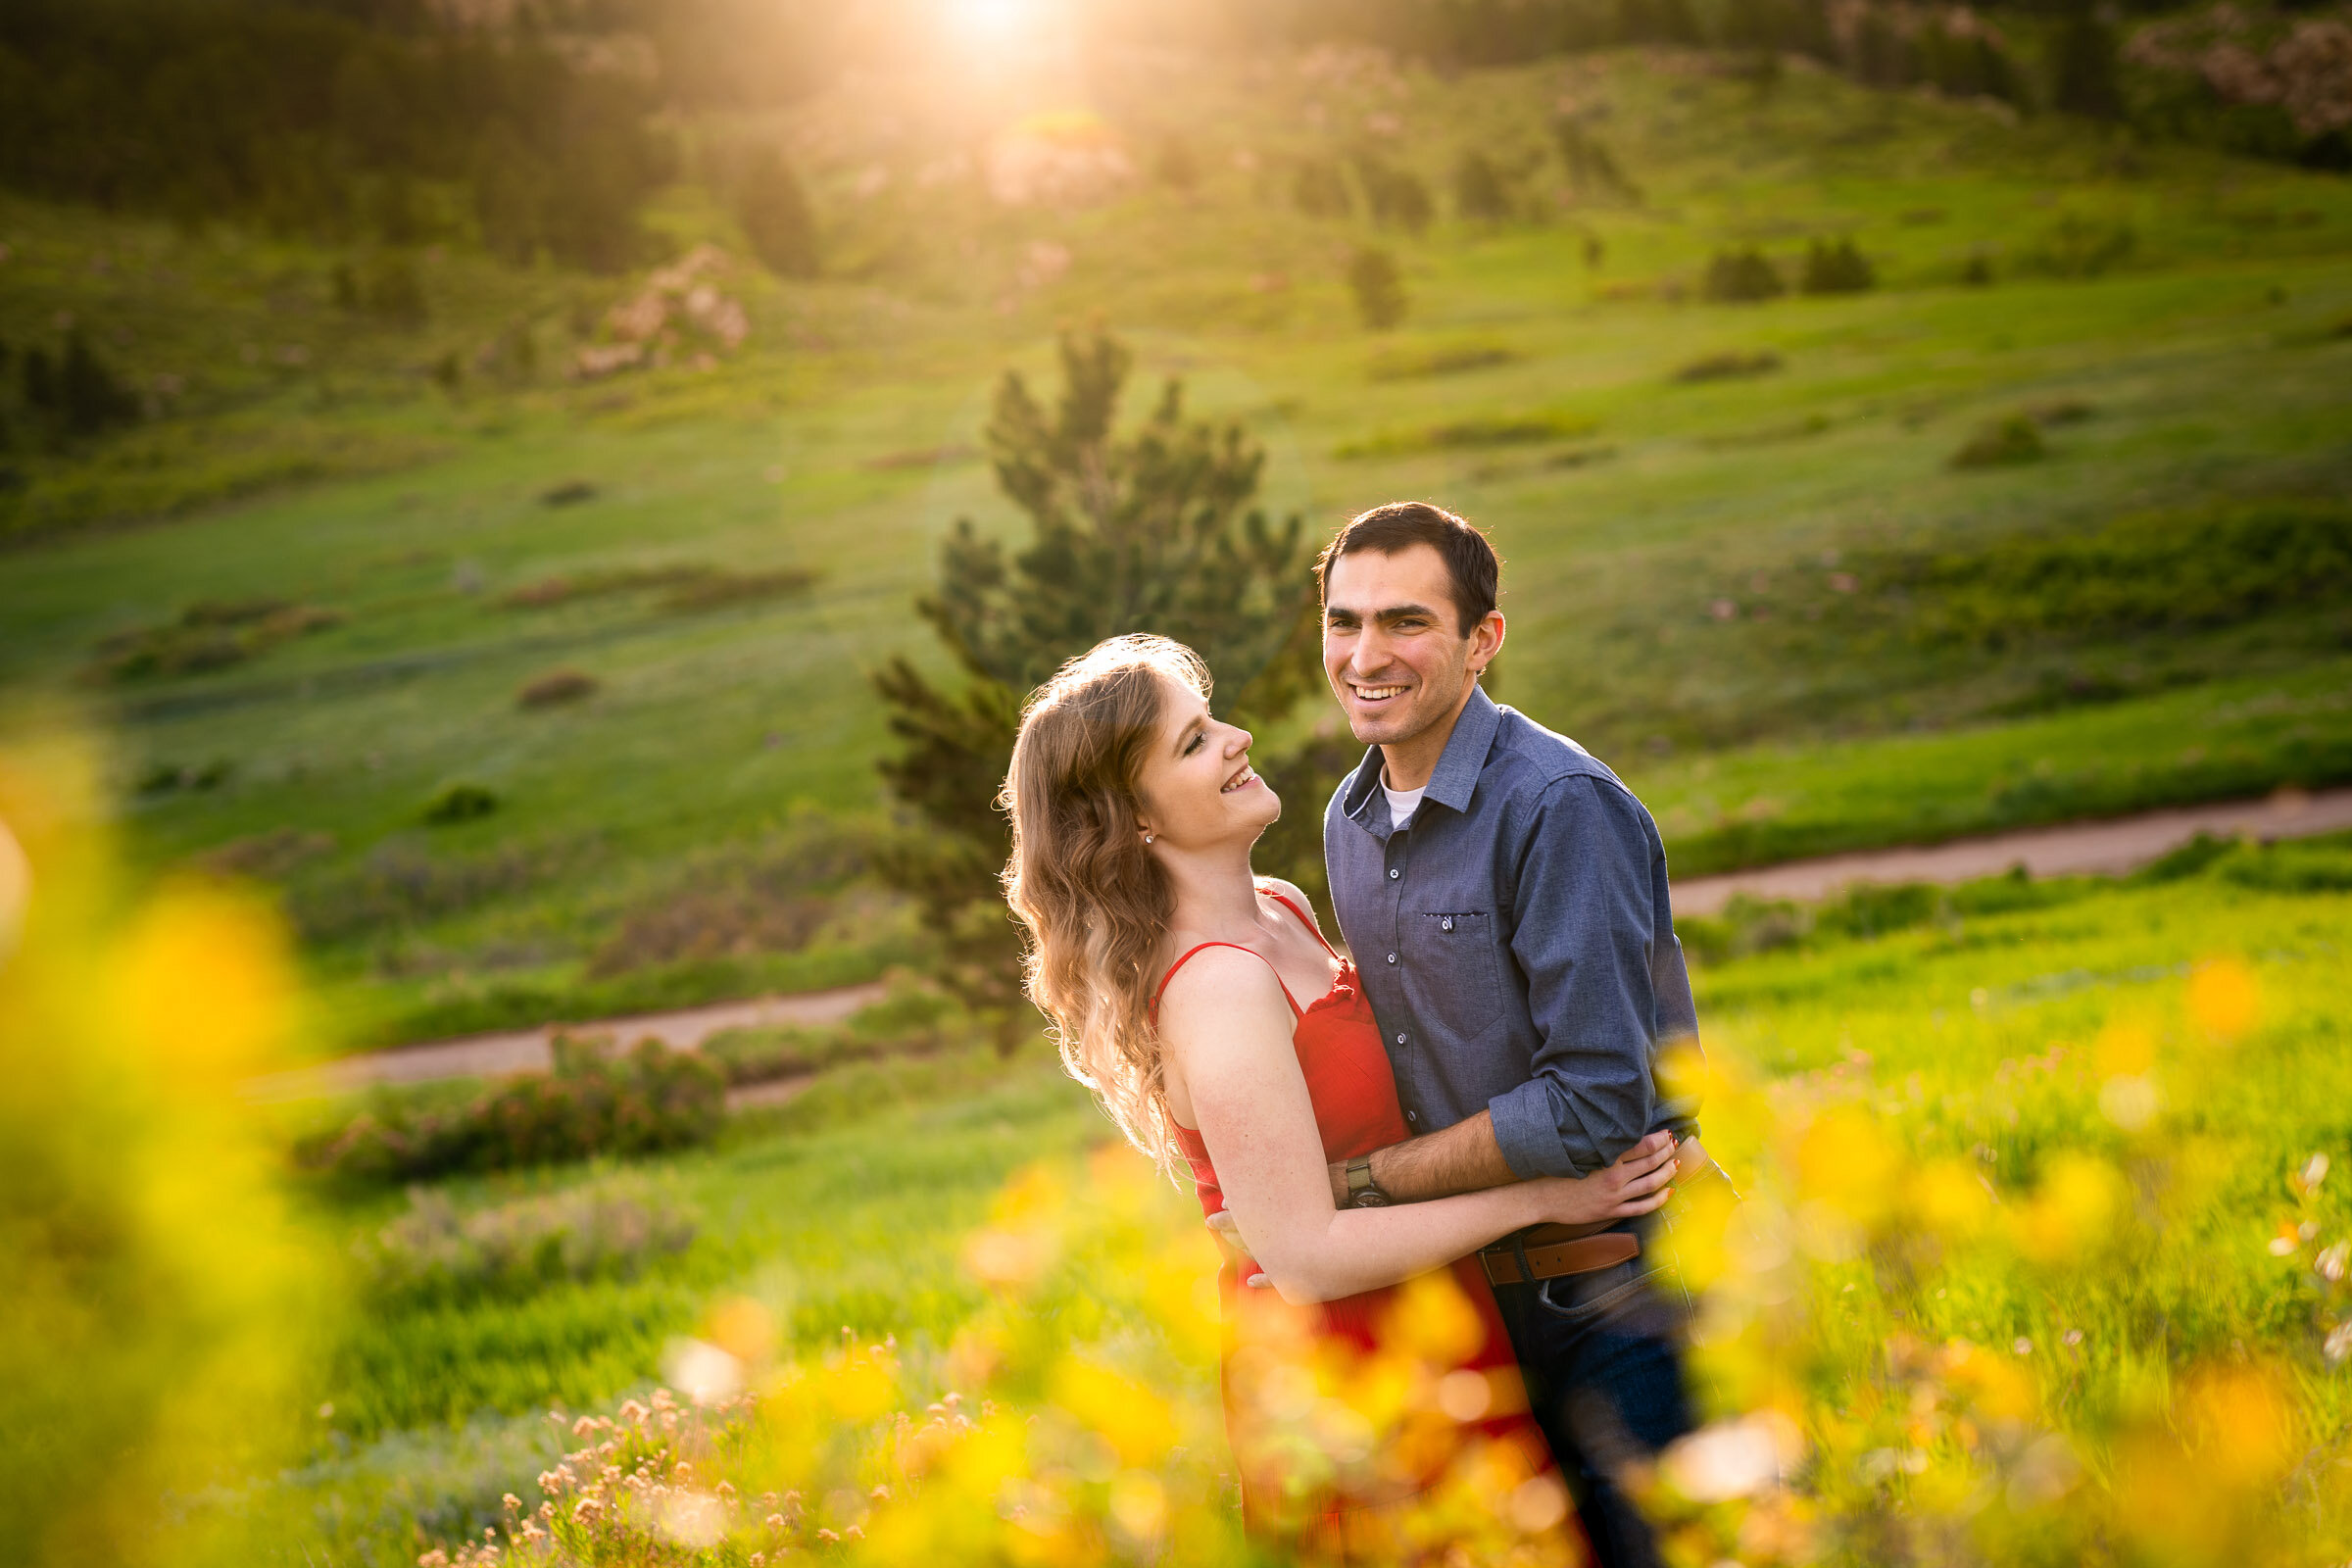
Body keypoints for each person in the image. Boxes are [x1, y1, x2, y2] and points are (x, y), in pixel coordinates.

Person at [1000, 632, 1681, 1561]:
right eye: (1195, 742)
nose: (1238, 738)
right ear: (1134, 819)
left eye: (1214, 720)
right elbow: (1307, 1259)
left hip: (1430, 1315)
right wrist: (1548, 1197)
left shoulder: (1280, 907)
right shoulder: (1219, 988)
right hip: (1345, 1366)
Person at [1313, 501, 1710, 1568]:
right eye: (1344, 623)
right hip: (1470, 1308)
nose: (1366, 654)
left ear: (1483, 640)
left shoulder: (1559, 804)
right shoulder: (1346, 822)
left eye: (1406, 622)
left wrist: (1373, 1179)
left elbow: (1594, 1102)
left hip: (1620, 1289)